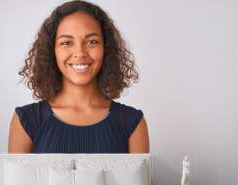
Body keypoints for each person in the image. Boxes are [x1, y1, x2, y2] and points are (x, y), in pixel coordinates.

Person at [8, 0, 149, 153]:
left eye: (91, 42)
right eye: (67, 42)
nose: (80, 52)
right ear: (52, 50)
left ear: (106, 48)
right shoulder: (27, 120)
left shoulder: (132, 123)